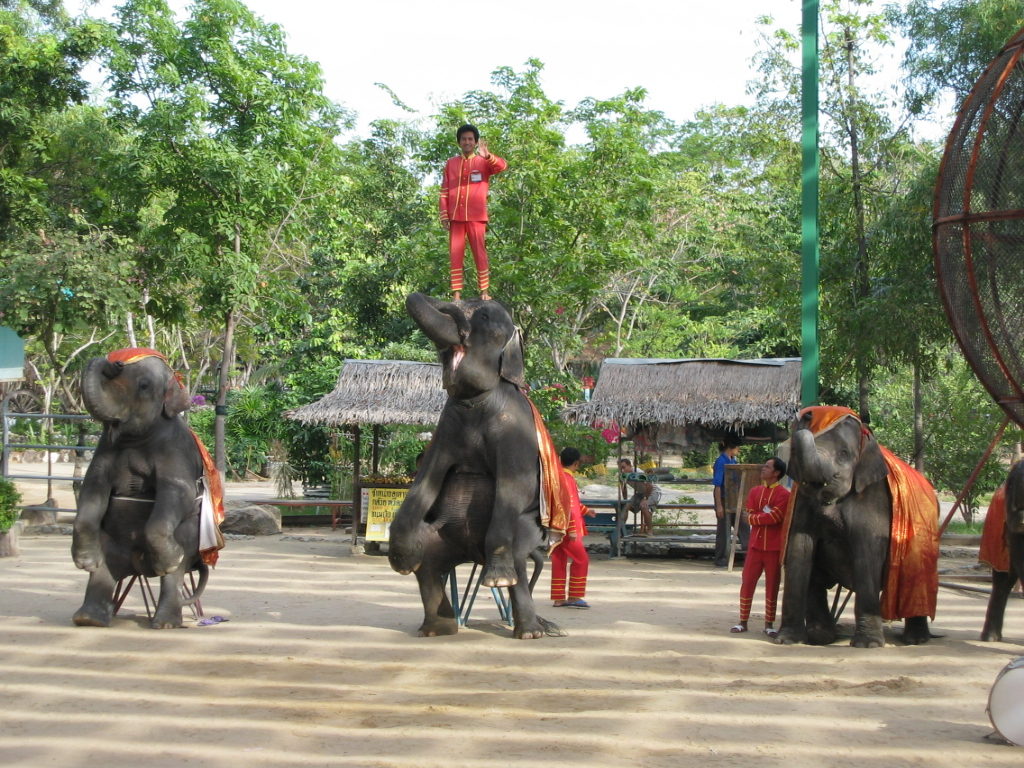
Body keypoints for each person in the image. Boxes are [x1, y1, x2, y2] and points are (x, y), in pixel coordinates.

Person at [438, 124, 507, 301]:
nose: (467, 142)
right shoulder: (451, 163)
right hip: (456, 217)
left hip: (477, 217)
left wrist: (489, 155)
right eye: (463, 139)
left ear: (475, 142)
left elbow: (502, 166)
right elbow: (444, 191)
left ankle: (484, 291)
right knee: (455, 255)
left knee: (479, 253)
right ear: (459, 142)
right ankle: (456, 294)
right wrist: (444, 214)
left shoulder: (483, 161)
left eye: (470, 139)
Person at [730, 457, 791, 637]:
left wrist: (756, 518)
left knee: (772, 585)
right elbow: (747, 515)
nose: (763, 469)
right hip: (755, 545)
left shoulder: (784, 495)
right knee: (747, 582)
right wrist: (760, 517)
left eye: (767, 467)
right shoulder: (755, 491)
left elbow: (774, 518)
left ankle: (769, 623)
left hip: (773, 547)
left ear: (777, 473)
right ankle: (742, 621)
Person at [551, 447, 595, 608]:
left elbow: (573, 503)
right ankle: (574, 596)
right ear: (576, 463)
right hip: (568, 528)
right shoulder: (567, 479)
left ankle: (558, 597)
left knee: (559, 559)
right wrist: (571, 529)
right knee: (581, 560)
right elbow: (567, 505)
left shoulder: (557, 477)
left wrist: (586, 510)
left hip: (557, 527)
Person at [712, 439, 742, 567]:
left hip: (735, 499)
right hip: (724, 499)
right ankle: (721, 558)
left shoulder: (733, 461)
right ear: (731, 448)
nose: (738, 451)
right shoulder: (721, 462)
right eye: (737, 448)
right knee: (723, 529)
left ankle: (746, 554)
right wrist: (719, 505)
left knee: (743, 525)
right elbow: (717, 486)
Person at [617, 458, 661, 536]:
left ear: (630, 466)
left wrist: (645, 499)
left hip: (652, 492)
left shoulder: (638, 473)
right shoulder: (622, 475)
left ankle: (649, 531)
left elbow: (649, 486)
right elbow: (624, 488)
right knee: (625, 506)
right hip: (640, 492)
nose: (622, 470)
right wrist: (625, 500)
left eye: (624, 467)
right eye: (620, 468)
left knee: (644, 506)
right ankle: (621, 530)